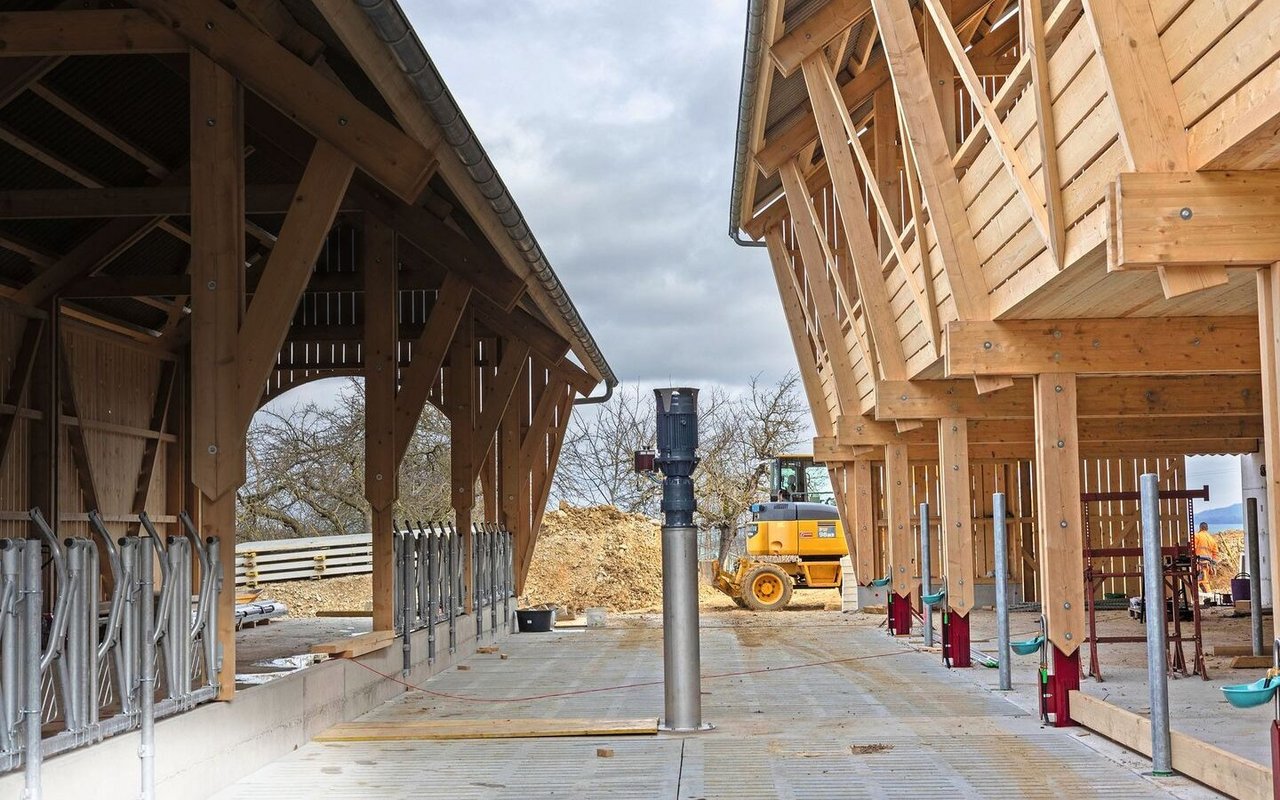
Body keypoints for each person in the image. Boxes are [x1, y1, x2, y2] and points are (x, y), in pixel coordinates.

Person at [1194, 521, 1220, 596]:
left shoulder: (1197, 536)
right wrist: (1213, 564)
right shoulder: (1212, 539)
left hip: (1200, 563)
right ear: (1207, 528)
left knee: (1202, 582)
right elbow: (1216, 554)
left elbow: (1193, 549)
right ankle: (1207, 597)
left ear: (1200, 528)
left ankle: (1209, 597)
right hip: (1208, 564)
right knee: (1204, 581)